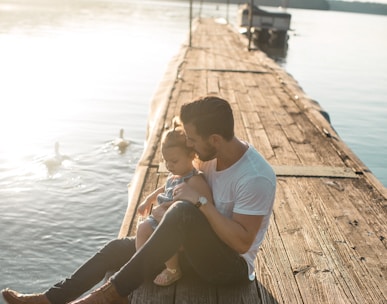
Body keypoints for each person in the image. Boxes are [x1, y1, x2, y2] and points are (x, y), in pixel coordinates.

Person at [2, 95, 276, 304]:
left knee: (182, 211)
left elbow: (242, 242)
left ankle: (109, 296)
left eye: (192, 139)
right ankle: (49, 299)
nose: (189, 145)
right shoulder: (209, 157)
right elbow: (184, 180)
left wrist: (200, 204)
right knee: (115, 249)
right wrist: (155, 194)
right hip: (192, 250)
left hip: (228, 266)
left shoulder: (255, 177)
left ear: (214, 139)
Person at [136, 119, 207, 286]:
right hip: (161, 215)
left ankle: (173, 270)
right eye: (166, 161)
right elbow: (163, 188)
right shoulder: (174, 175)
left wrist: (164, 209)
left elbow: (194, 206)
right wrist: (148, 200)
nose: (169, 165)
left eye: (174, 161)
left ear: (191, 155)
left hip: (176, 223)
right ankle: (140, 264)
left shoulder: (194, 180)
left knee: (165, 237)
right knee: (142, 228)